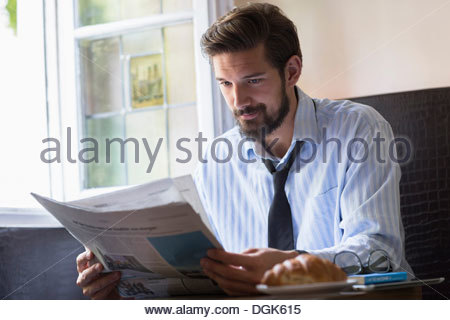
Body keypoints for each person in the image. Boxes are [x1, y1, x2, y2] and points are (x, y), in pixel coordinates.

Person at [76, 2, 412, 298]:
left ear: (292, 71)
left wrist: (291, 265)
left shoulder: (357, 130)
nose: (238, 101)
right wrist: (123, 287)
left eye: (253, 80)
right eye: (225, 83)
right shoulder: (214, 165)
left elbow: (379, 256)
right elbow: (199, 279)